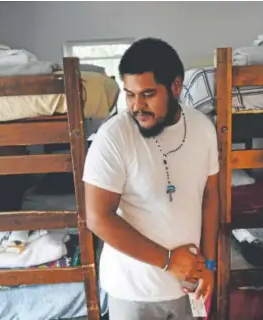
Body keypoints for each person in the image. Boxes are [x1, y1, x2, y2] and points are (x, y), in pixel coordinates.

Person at [83, 38, 220, 320]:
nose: (136, 106)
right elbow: (97, 217)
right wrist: (168, 261)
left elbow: (209, 198)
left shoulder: (203, 128)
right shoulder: (113, 137)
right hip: (134, 294)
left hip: (188, 286)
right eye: (129, 94)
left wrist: (209, 264)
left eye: (147, 94)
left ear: (176, 86)